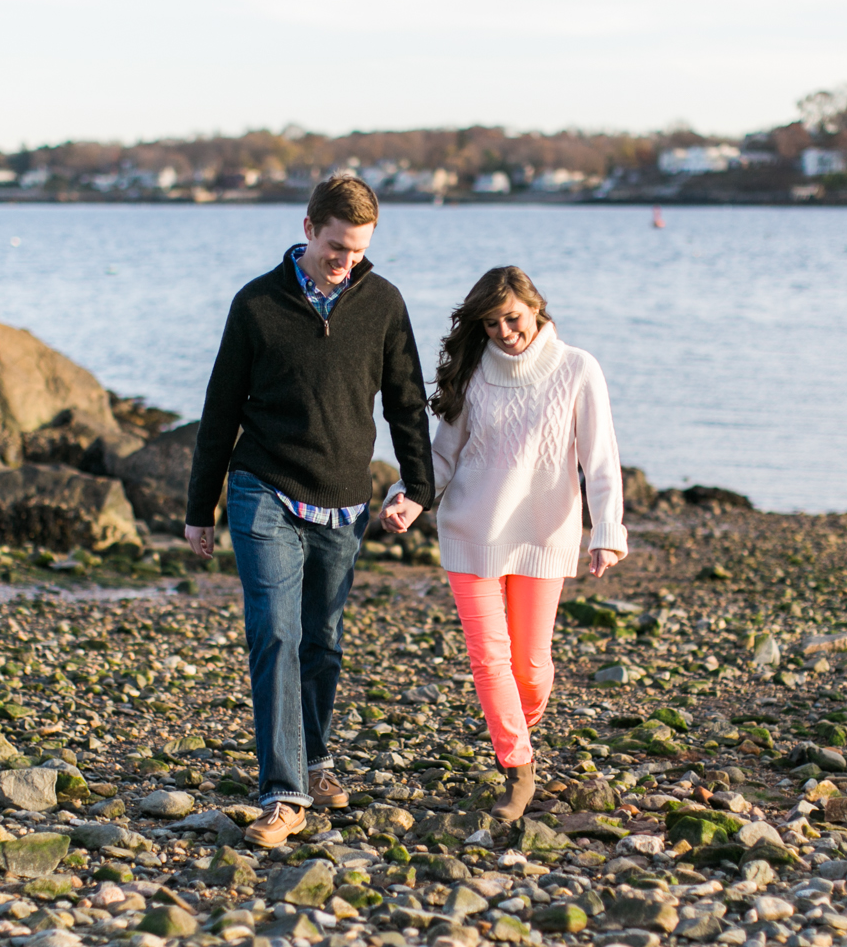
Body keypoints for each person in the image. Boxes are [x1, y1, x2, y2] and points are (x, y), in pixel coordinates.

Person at [184, 176, 434, 848]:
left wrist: (419, 486)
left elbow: (407, 403)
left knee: (322, 642)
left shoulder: (382, 303)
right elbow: (221, 410)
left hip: (345, 502)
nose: (344, 262)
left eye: (356, 251)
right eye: (335, 248)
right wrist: (199, 508)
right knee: (275, 634)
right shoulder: (257, 304)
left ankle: (316, 760)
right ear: (307, 228)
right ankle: (284, 793)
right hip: (261, 488)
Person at [381, 266, 626, 820]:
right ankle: (518, 768)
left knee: (532, 669)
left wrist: (607, 532)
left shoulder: (577, 369)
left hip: (543, 535)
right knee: (489, 660)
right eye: (490, 323)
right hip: (472, 532)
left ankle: (515, 723)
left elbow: (601, 460)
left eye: (510, 318)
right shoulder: (472, 373)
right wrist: (409, 496)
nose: (502, 331)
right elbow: (442, 455)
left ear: (535, 307)